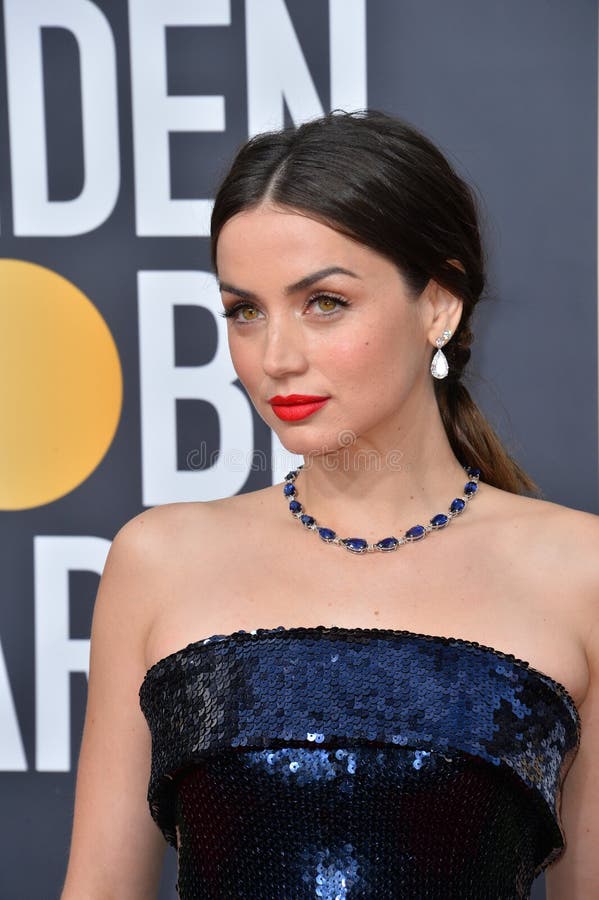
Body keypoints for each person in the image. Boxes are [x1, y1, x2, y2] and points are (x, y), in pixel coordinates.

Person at [61, 109, 598, 899]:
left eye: (324, 303)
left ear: (438, 304)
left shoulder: (578, 572)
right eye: (245, 311)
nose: (273, 357)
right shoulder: (159, 561)